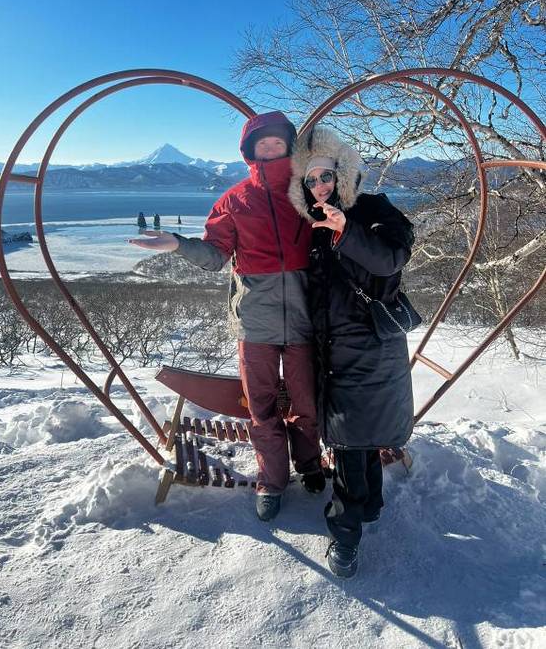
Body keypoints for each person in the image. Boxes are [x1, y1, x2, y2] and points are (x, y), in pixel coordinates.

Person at [129, 111, 325, 521]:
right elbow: (216, 255)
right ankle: (271, 480)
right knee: (262, 405)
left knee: (307, 401)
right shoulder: (234, 201)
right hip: (255, 323)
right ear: (250, 151)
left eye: (277, 143)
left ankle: (309, 465)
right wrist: (178, 245)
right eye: (262, 144)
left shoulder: (306, 193)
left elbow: (337, 235)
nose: (270, 149)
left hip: (306, 318)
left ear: (289, 146)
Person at [289, 125, 415, 578]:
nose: (320, 186)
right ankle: (370, 504)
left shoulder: (375, 211)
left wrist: (347, 232)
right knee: (357, 437)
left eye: (326, 175)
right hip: (334, 352)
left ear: (345, 173)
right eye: (311, 180)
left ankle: (344, 537)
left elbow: (388, 262)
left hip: (370, 350)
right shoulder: (314, 225)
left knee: (348, 442)